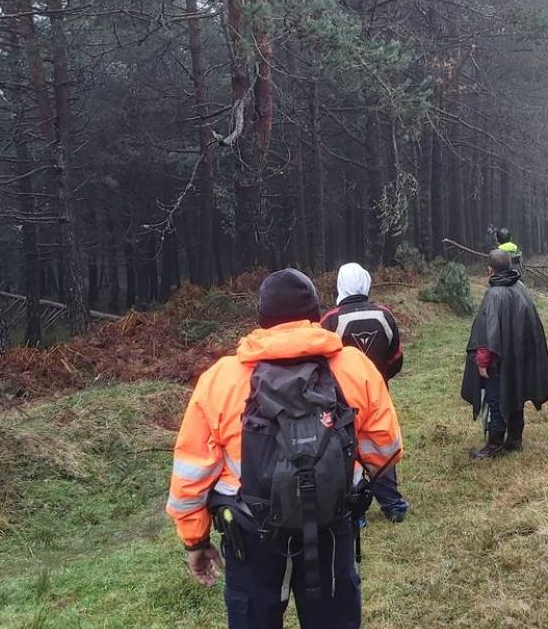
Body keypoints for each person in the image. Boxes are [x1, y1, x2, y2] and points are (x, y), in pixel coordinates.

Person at [167, 268, 402, 629]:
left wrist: (195, 540)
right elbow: (386, 451)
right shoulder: (354, 366)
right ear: (315, 314)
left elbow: (191, 475)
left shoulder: (221, 378)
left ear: (261, 319)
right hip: (330, 524)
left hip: (250, 534)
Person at [321, 263, 409, 523]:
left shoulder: (330, 320)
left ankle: (355, 513)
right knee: (380, 447)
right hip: (378, 393)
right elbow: (397, 356)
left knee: (346, 451)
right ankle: (393, 505)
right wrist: (380, 378)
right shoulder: (385, 315)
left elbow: (320, 363)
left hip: (341, 401)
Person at [461, 250, 548, 458]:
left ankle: (494, 445)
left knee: (496, 399)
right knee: (516, 394)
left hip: (499, 361)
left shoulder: (494, 294)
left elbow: (487, 333)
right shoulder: (520, 287)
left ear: (490, 270)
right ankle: (514, 440)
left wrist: (482, 362)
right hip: (518, 356)